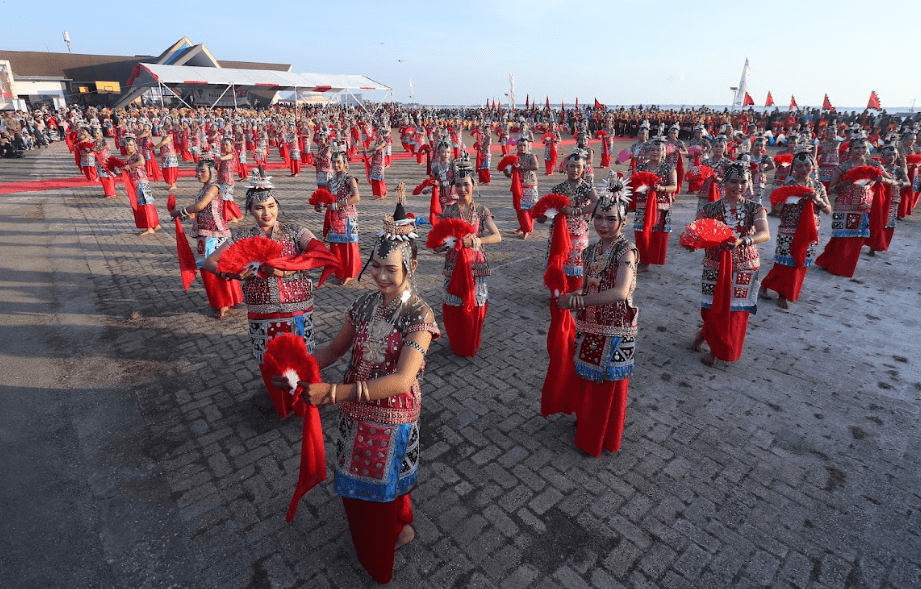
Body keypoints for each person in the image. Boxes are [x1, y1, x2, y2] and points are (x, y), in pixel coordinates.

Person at [278, 204, 439, 584]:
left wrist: (333, 392)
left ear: (410, 267)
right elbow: (335, 350)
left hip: (392, 416)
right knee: (361, 488)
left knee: (382, 492)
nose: (381, 276)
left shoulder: (420, 315)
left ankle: (381, 553)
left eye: (391, 269)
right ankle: (394, 529)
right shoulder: (363, 304)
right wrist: (294, 369)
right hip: (354, 409)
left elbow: (402, 380)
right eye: (376, 266)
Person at [203, 175, 321, 419]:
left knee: (300, 358)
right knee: (271, 363)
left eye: (271, 206)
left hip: (296, 309)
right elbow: (209, 262)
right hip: (262, 311)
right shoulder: (242, 238)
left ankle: (303, 403)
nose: (267, 213)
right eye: (259, 207)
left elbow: (319, 253)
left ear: (277, 206)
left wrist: (288, 267)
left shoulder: (296, 231)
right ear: (249, 210)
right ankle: (281, 406)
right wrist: (234, 273)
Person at [555, 175, 638, 456]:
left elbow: (620, 291)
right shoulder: (590, 250)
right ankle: (587, 423)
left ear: (622, 221)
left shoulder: (626, 251)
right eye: (600, 217)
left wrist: (581, 299)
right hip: (590, 322)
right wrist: (573, 297)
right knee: (588, 378)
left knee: (607, 386)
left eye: (611, 219)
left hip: (616, 326)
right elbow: (587, 280)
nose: (603, 224)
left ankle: (600, 436)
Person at [690, 161, 770, 366]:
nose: (738, 186)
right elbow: (697, 233)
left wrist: (742, 241)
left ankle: (718, 350)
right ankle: (704, 335)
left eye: (743, 181)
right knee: (711, 308)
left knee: (734, 311)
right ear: (724, 183)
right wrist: (693, 243)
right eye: (733, 181)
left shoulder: (755, 208)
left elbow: (764, 234)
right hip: (714, 263)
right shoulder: (709, 209)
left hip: (745, 264)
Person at [436, 154, 502, 357]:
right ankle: (457, 341)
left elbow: (497, 236)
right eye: (458, 185)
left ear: (473, 184)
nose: (462, 189)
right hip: (454, 264)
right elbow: (437, 243)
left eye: (466, 185)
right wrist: (441, 245)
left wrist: (477, 241)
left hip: (475, 264)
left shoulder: (481, 210)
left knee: (475, 304)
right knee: (454, 305)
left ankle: (471, 340)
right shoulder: (448, 211)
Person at [170, 156, 244, 318]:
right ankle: (224, 300)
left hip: (216, 234)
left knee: (215, 268)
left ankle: (224, 302)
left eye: (202, 171)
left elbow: (200, 206)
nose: (198, 174)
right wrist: (184, 216)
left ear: (213, 172)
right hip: (204, 234)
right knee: (209, 269)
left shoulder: (213, 188)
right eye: (197, 171)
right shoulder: (203, 189)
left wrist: (180, 211)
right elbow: (199, 211)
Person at [758, 150, 832, 308]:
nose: (804, 169)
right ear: (794, 169)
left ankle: (784, 290)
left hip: (810, 229)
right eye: (799, 166)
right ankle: (781, 293)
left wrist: (818, 200)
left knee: (801, 263)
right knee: (785, 263)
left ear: (813, 167)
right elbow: (776, 211)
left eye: (807, 165)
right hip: (789, 229)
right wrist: (777, 207)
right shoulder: (787, 186)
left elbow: (828, 210)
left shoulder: (818, 186)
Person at [814, 136, 886, 277]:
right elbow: (832, 189)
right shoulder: (843, 167)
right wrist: (845, 184)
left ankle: (842, 267)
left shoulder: (874, 165)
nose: (860, 150)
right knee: (841, 237)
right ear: (850, 150)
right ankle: (834, 264)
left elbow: (891, 181)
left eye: (863, 147)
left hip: (864, 205)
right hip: (844, 205)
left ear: (868, 149)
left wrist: (881, 179)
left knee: (856, 238)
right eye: (857, 148)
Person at [542, 151, 599, 292]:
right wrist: (542, 215)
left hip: (578, 231)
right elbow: (547, 206)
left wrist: (577, 211)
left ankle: (574, 292)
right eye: (572, 166)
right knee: (558, 260)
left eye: (578, 167)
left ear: (584, 169)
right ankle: (558, 290)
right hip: (559, 230)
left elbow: (597, 203)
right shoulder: (558, 188)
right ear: (566, 167)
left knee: (576, 262)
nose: (575, 170)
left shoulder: (587, 187)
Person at [633, 137, 678, 271]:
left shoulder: (669, 168)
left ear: (664, 152)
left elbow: (673, 186)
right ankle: (643, 259)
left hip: (660, 205)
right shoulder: (642, 167)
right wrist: (644, 187)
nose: (655, 152)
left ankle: (649, 260)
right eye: (653, 149)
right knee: (641, 232)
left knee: (655, 233)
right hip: (643, 203)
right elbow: (635, 185)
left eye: (659, 150)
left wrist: (660, 189)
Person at [320, 150, 362, 285]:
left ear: (345, 163)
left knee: (348, 245)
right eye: (334, 162)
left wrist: (338, 205)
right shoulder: (330, 181)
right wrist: (320, 205)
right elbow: (326, 198)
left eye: (339, 162)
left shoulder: (350, 179)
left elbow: (356, 198)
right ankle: (340, 270)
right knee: (336, 245)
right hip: (334, 217)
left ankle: (350, 272)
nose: (336, 164)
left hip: (347, 216)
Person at [122, 135, 162, 237]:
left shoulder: (137, 155)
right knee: (145, 204)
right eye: (127, 145)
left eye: (130, 145)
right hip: (136, 183)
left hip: (141, 183)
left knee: (146, 204)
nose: (129, 147)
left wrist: (130, 166)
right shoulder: (129, 157)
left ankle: (150, 227)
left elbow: (142, 161)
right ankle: (155, 224)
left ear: (135, 145)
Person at [507, 134, 539, 239]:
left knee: (528, 208)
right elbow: (510, 171)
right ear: (517, 147)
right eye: (520, 145)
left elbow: (536, 166)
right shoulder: (515, 157)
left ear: (528, 146)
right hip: (519, 186)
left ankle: (527, 228)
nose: (522, 148)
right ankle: (524, 226)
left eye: (524, 145)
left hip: (530, 185)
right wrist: (507, 172)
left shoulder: (531, 156)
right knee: (520, 209)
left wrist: (522, 167)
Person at [218, 137, 244, 225]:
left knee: (226, 200)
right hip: (223, 179)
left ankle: (232, 216)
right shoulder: (226, 154)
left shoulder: (231, 155)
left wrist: (215, 157)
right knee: (226, 200)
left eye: (227, 145)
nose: (225, 146)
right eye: (223, 144)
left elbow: (222, 158)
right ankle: (236, 215)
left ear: (232, 146)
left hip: (227, 180)